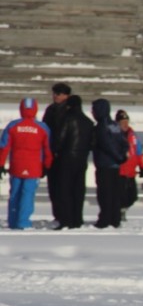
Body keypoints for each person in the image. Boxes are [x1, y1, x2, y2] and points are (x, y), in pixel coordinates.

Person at [0, 97, 54, 230]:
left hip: (16, 165)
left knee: (15, 194)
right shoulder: (42, 127)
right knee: (28, 194)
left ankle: (13, 221)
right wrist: (47, 165)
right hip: (34, 166)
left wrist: (1, 164)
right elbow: (48, 149)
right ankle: (23, 222)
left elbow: (4, 146)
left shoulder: (13, 126)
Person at [53, 95, 93, 229]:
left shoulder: (67, 119)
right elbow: (92, 142)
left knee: (65, 190)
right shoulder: (88, 122)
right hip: (82, 159)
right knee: (78, 190)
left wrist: (56, 151)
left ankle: (66, 220)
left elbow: (60, 139)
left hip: (66, 158)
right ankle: (77, 219)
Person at [89, 98, 129, 228]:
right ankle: (115, 218)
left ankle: (105, 219)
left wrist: (117, 156)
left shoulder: (101, 127)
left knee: (104, 194)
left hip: (105, 164)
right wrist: (122, 156)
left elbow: (107, 145)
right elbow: (124, 142)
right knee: (115, 193)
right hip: (116, 166)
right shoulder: (115, 126)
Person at [42, 82, 72, 227]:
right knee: (53, 185)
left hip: (64, 153)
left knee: (64, 186)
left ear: (66, 95)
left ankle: (64, 214)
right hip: (51, 151)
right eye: (54, 93)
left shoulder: (70, 110)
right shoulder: (50, 110)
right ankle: (57, 214)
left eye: (58, 93)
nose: (55, 96)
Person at [115, 109, 143, 220]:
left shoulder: (133, 136)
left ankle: (122, 210)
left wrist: (142, 167)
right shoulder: (114, 135)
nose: (125, 124)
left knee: (132, 196)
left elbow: (139, 152)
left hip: (131, 172)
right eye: (122, 122)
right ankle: (118, 213)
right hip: (119, 171)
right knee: (119, 195)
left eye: (126, 122)